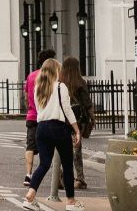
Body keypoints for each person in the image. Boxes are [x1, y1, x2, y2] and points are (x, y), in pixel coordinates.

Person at [22, 57, 80, 211]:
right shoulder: (61, 87)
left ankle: (30, 195)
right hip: (58, 128)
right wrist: (76, 129)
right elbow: (67, 110)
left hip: (41, 128)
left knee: (44, 164)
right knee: (67, 166)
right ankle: (71, 202)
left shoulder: (38, 88)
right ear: (55, 70)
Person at [23, 49, 55, 185]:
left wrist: (31, 107)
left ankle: (28, 174)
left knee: (30, 146)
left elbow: (26, 97)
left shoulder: (31, 76)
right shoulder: (51, 77)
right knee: (50, 147)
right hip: (47, 117)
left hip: (32, 116)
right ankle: (54, 176)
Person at [61, 56, 94, 191]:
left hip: (62, 121)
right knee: (76, 151)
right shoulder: (80, 83)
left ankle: (61, 177)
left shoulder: (60, 83)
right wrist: (92, 118)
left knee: (62, 150)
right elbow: (87, 104)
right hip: (76, 122)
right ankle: (80, 178)